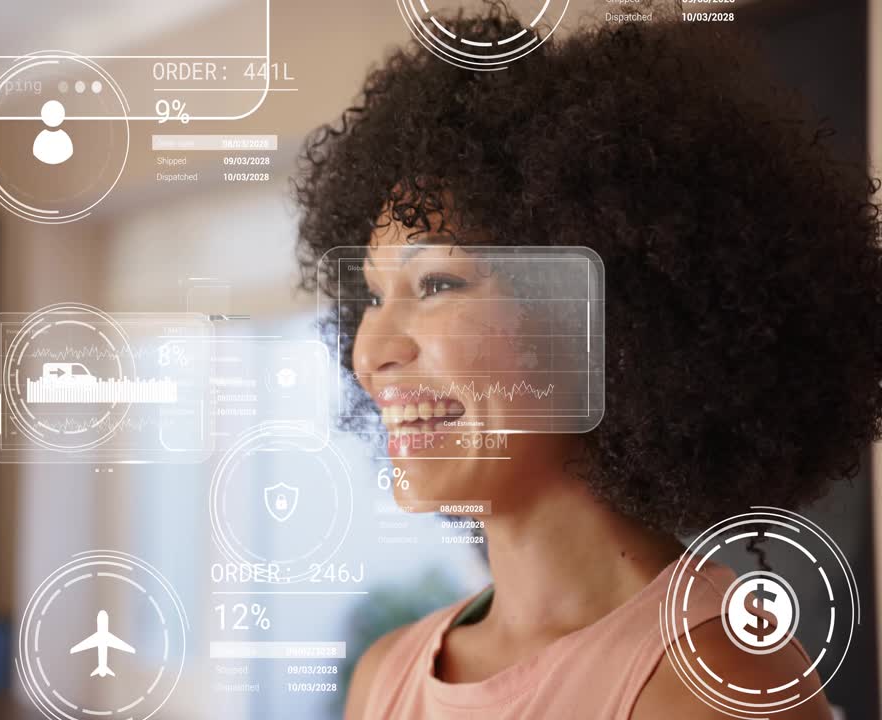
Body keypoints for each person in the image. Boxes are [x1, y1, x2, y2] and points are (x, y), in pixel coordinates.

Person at [293, 5, 882, 719]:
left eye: (438, 284)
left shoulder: (715, 686)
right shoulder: (387, 676)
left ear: (597, 318)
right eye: (376, 296)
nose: (371, 353)